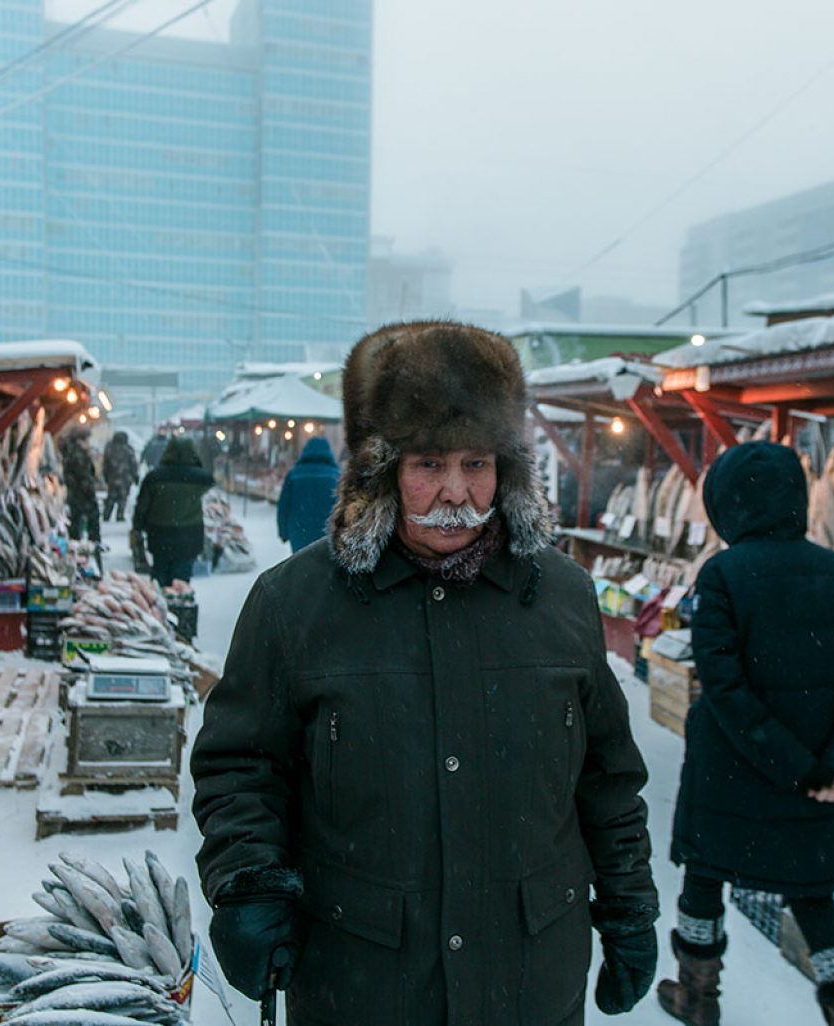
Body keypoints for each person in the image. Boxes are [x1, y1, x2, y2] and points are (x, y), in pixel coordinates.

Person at [192, 322, 658, 1026]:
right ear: (381, 471)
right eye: (428, 464)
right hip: (365, 978)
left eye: (476, 464)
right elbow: (242, 766)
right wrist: (247, 882)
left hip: (529, 978)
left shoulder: (561, 596)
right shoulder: (294, 603)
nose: (455, 492)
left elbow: (607, 776)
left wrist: (628, 906)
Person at [660, 441, 834, 1026]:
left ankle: (696, 997)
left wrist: (795, 764)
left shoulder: (722, 575)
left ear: (725, 505)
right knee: (812, 895)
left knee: (704, 882)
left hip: (730, 775)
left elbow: (724, 687)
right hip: (815, 781)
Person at [133, 436, 214, 586]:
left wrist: (139, 526)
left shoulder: (154, 477)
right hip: (189, 536)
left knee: (159, 576)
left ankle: (159, 605)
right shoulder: (201, 479)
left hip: (160, 535)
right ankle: (178, 605)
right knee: (181, 580)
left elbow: (142, 506)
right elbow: (210, 482)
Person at [275, 435, 341, 553]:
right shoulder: (336, 476)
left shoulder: (294, 475)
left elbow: (283, 506)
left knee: (301, 565)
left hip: (299, 530)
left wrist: (283, 532)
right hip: (326, 533)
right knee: (323, 566)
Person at [60, 426, 100, 543]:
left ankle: (76, 542)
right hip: (82, 493)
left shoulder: (71, 451)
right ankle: (92, 543)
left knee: (76, 520)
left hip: (75, 493)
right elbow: (84, 475)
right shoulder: (78, 454)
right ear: (81, 440)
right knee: (89, 518)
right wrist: (90, 492)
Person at [102, 431, 140, 522]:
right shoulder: (128, 449)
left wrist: (106, 477)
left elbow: (105, 464)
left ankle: (106, 514)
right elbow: (133, 465)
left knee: (111, 497)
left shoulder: (109, 449)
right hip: (125, 479)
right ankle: (120, 515)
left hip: (112, 478)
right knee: (122, 498)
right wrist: (135, 477)